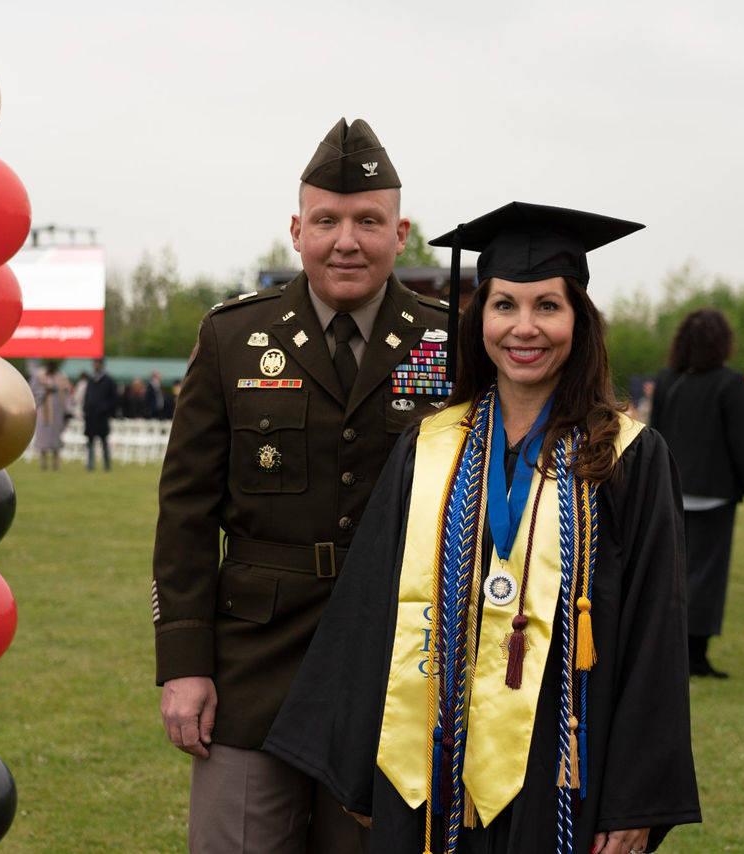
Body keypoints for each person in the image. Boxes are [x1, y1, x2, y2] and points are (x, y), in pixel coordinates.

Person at [265, 202, 701, 854]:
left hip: (562, 769)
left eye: (548, 306)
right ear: (480, 320)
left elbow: (654, 635)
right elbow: (370, 609)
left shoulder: (624, 459)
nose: (525, 328)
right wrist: (362, 769)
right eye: (505, 305)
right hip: (428, 764)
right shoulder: (428, 449)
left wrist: (634, 799)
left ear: (579, 321)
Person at [152, 118, 450, 854]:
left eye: (368, 221)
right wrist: (185, 665)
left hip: (393, 665)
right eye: (326, 221)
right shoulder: (232, 338)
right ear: (296, 230)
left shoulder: (451, 344)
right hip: (255, 663)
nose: (346, 241)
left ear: (400, 234)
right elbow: (186, 513)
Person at [650, 308, 744, 679]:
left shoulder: (666, 379)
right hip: (714, 494)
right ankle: (695, 657)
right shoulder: (730, 383)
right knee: (706, 577)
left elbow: (654, 436)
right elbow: (742, 442)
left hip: (671, 491)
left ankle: (667, 651)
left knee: (670, 573)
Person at [30, 360, 72, 471]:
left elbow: (67, 395)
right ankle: (43, 462)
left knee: (56, 438)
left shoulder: (62, 377)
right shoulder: (39, 376)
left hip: (58, 412)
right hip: (43, 412)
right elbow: (32, 392)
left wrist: (67, 410)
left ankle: (55, 462)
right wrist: (45, 391)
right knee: (42, 437)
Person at [83, 357, 118, 472]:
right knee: (90, 441)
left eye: (97, 363)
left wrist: (104, 409)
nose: (95, 365)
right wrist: (86, 409)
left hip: (102, 416)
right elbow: (87, 396)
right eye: (94, 363)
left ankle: (107, 465)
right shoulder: (91, 379)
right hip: (91, 416)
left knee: (104, 441)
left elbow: (114, 399)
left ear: (102, 364)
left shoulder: (108, 380)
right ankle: (90, 464)